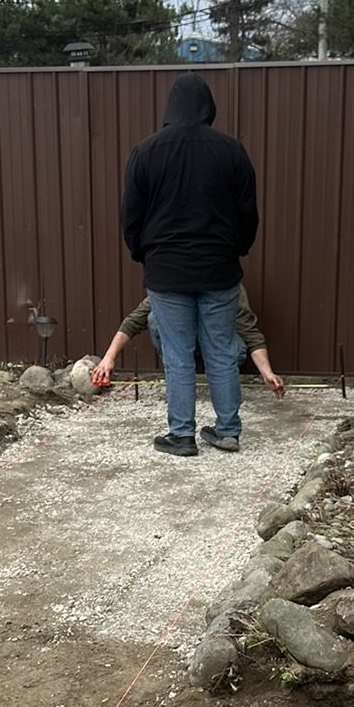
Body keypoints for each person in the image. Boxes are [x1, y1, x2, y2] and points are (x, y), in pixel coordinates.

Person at [119, 74, 260, 456]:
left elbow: (131, 216)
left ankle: (181, 435)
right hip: (219, 268)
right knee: (221, 350)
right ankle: (227, 431)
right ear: (208, 107)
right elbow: (248, 212)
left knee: (178, 354)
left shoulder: (146, 151)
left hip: (167, 270)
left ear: (170, 106)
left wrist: (143, 253)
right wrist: (238, 248)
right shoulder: (231, 151)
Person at [89, 289, 285, 398]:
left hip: (220, 344)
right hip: (183, 344)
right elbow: (133, 322)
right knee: (155, 318)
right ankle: (178, 377)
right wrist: (108, 358)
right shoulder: (172, 284)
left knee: (237, 350)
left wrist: (266, 373)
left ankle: (221, 384)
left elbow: (251, 334)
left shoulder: (229, 289)